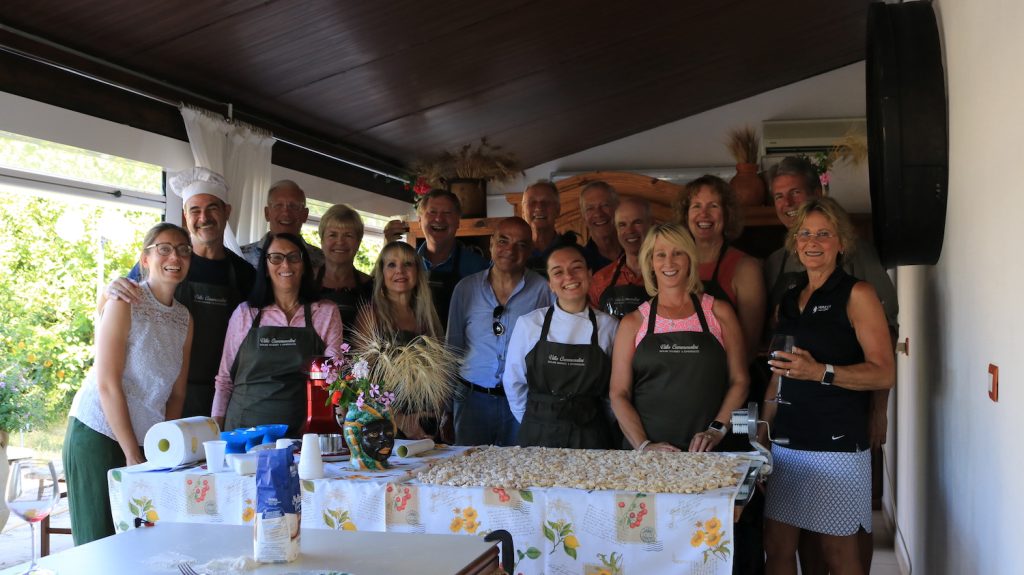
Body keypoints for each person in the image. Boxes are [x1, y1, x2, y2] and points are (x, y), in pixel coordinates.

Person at [765, 156, 898, 575]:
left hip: (837, 444)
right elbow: (779, 374)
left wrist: (821, 372)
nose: (813, 241)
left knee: (840, 556)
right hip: (787, 443)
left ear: (842, 242)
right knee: (779, 551)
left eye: (824, 233)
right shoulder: (789, 299)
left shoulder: (856, 293)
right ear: (795, 242)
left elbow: (884, 371)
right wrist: (761, 430)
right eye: (805, 233)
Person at [64, 223, 194, 545]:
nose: (174, 256)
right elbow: (107, 383)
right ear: (145, 258)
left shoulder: (185, 319)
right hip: (98, 434)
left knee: (139, 547)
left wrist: (166, 450)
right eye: (164, 248)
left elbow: (176, 394)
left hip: (144, 442)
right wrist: (131, 453)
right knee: (99, 547)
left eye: (182, 249)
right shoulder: (124, 300)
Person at [103, 167, 255, 418]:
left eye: (212, 208)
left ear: (227, 211)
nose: (204, 217)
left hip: (224, 395)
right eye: (195, 210)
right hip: (166, 393)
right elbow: (114, 303)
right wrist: (110, 290)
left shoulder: (244, 274)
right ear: (185, 216)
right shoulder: (166, 264)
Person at [609, 223, 748, 453]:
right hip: (650, 457)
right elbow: (618, 394)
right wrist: (644, 446)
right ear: (650, 263)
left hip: (709, 452)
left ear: (690, 258)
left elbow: (740, 381)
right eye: (660, 255)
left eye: (677, 253)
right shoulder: (633, 323)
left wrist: (716, 430)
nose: (669, 262)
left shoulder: (718, 313)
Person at [213, 233, 342, 437]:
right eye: (276, 257)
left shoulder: (324, 313)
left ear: (304, 264)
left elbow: (333, 379)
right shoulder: (246, 313)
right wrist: (216, 432)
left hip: (301, 433)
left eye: (293, 257)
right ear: (265, 266)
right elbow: (224, 380)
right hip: (244, 433)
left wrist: (321, 424)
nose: (285, 265)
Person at [447, 217, 552, 446]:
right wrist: (445, 408)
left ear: (531, 251)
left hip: (522, 402)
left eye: (521, 244)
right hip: (471, 401)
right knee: (468, 474)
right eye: (503, 241)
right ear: (491, 243)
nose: (510, 250)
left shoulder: (544, 290)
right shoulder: (466, 289)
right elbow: (452, 349)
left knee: (519, 475)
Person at [504, 244, 618, 448]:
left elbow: (614, 392)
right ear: (549, 283)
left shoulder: (609, 326)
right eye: (558, 272)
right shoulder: (529, 324)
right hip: (537, 436)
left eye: (577, 268)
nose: (569, 276)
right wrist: (536, 420)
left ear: (590, 274)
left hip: (591, 435)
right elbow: (513, 383)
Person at [354, 241, 445, 440]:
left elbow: (440, 371)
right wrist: (402, 421)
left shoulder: (427, 315)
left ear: (417, 271)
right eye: (391, 265)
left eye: (408, 264)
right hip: (387, 424)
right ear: (381, 272)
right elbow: (361, 382)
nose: (400, 271)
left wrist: (438, 418)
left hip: (427, 423)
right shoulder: (371, 316)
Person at [678, 175, 765, 362]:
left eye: (713, 206)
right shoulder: (674, 264)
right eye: (696, 206)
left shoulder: (746, 268)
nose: (704, 214)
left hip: (727, 377)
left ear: (727, 214)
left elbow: (748, 347)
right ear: (686, 216)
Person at [382, 189, 489, 330]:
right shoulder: (406, 266)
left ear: (458, 221)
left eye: (447, 213)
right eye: (432, 212)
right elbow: (381, 295)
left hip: (460, 349)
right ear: (420, 221)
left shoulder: (478, 267)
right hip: (416, 349)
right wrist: (387, 244)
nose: (439, 219)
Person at [316, 203, 373, 345]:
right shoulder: (303, 281)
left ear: (358, 242)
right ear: (322, 240)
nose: (340, 242)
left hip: (359, 364)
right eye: (332, 235)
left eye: (348, 235)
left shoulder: (372, 286)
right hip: (309, 364)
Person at [588, 196, 653, 318]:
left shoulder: (669, 274)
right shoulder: (600, 280)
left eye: (637, 222)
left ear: (651, 224)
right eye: (622, 225)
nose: (630, 231)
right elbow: (593, 328)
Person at [240, 179, 325, 270]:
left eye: (293, 206)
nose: (286, 213)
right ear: (267, 213)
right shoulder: (241, 257)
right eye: (278, 205)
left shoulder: (322, 260)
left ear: (305, 215)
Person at [521, 180, 576, 277]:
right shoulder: (513, 254)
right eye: (532, 202)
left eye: (546, 202)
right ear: (523, 211)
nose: (539, 207)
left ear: (558, 209)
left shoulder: (575, 254)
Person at [578, 181, 622, 271]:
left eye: (605, 205)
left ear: (618, 208)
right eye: (590, 208)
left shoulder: (643, 252)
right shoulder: (581, 263)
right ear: (583, 216)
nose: (598, 214)